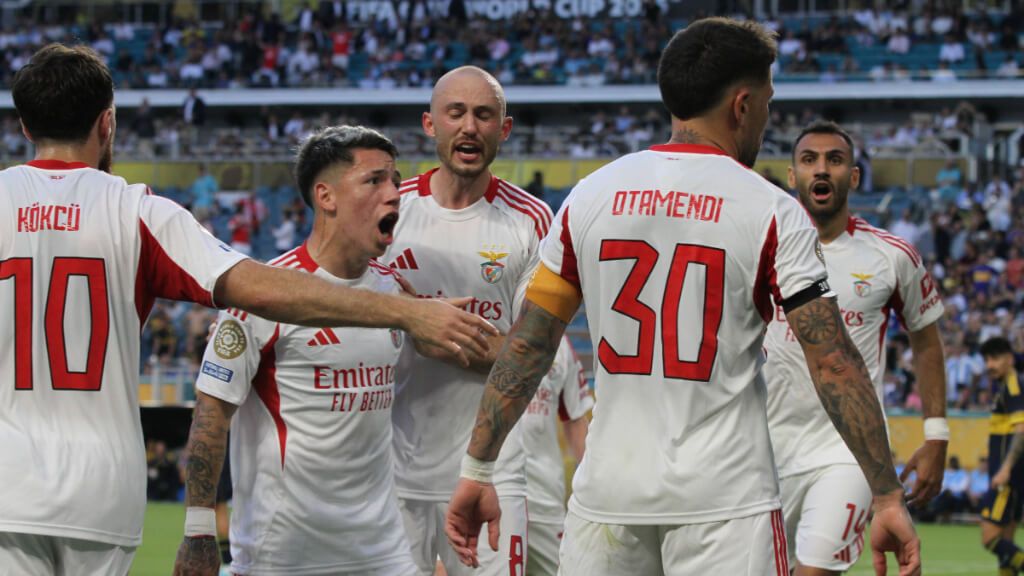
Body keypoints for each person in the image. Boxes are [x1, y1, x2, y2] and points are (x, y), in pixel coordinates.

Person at [445, 18, 921, 575]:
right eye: (767, 103)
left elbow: (529, 343)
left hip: (607, 498)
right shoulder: (771, 210)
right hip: (726, 505)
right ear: (742, 105)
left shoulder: (590, 195)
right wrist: (887, 495)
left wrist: (478, 468)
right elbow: (834, 363)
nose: (766, 118)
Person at [0, 44, 495, 576]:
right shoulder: (137, 211)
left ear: (24, 126)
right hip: (100, 492)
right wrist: (406, 313)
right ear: (108, 122)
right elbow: (256, 289)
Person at [174, 126, 422, 575]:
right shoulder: (262, 296)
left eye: (395, 180)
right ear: (326, 197)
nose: (393, 194)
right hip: (284, 555)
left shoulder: (396, 293)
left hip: (384, 552)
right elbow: (210, 413)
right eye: (374, 180)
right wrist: (198, 531)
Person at [383, 65, 554, 575]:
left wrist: (435, 332)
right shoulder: (389, 211)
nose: (469, 127)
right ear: (430, 124)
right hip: (391, 473)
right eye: (455, 113)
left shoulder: (531, 220)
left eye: (484, 115)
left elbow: (529, 355)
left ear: (504, 129)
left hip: (492, 472)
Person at [763, 120, 948, 575]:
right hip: (759, 449)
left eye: (835, 159)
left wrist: (937, 434)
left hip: (848, 453)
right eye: (809, 160)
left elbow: (926, 340)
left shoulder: (891, 255)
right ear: (793, 175)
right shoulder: (761, 249)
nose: (822, 169)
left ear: (855, 176)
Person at [520, 336, 592, 575]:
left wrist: (592, 488)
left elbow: (575, 418)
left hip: (546, 499)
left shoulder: (559, 343)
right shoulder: (483, 324)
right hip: (491, 496)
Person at [978, 337, 1024, 574]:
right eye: (986, 359)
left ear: (1009, 359)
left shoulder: (1013, 386)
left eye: (994, 359)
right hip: (1013, 478)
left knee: (989, 538)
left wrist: (1005, 469)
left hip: (1007, 478)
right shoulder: (1005, 386)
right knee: (1006, 542)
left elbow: (1022, 429)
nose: (989, 365)